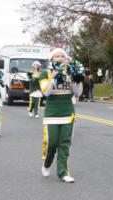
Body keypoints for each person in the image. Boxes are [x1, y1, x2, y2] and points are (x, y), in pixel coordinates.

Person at [39, 48, 84, 183]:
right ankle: (47, 164)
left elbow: (78, 93)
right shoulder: (45, 74)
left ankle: (63, 172)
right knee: (52, 143)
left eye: (62, 56)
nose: (59, 58)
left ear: (66, 59)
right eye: (56, 56)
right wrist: (53, 78)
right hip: (52, 113)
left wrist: (74, 78)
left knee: (64, 143)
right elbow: (45, 93)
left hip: (67, 113)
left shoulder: (70, 72)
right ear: (52, 59)